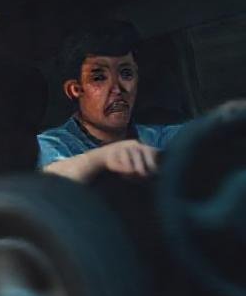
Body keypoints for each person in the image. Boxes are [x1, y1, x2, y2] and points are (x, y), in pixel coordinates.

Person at [37, 21, 182, 182]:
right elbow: (49, 180)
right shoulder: (51, 146)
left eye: (126, 74)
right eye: (99, 78)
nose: (118, 89)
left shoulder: (159, 138)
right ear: (75, 89)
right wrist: (105, 158)